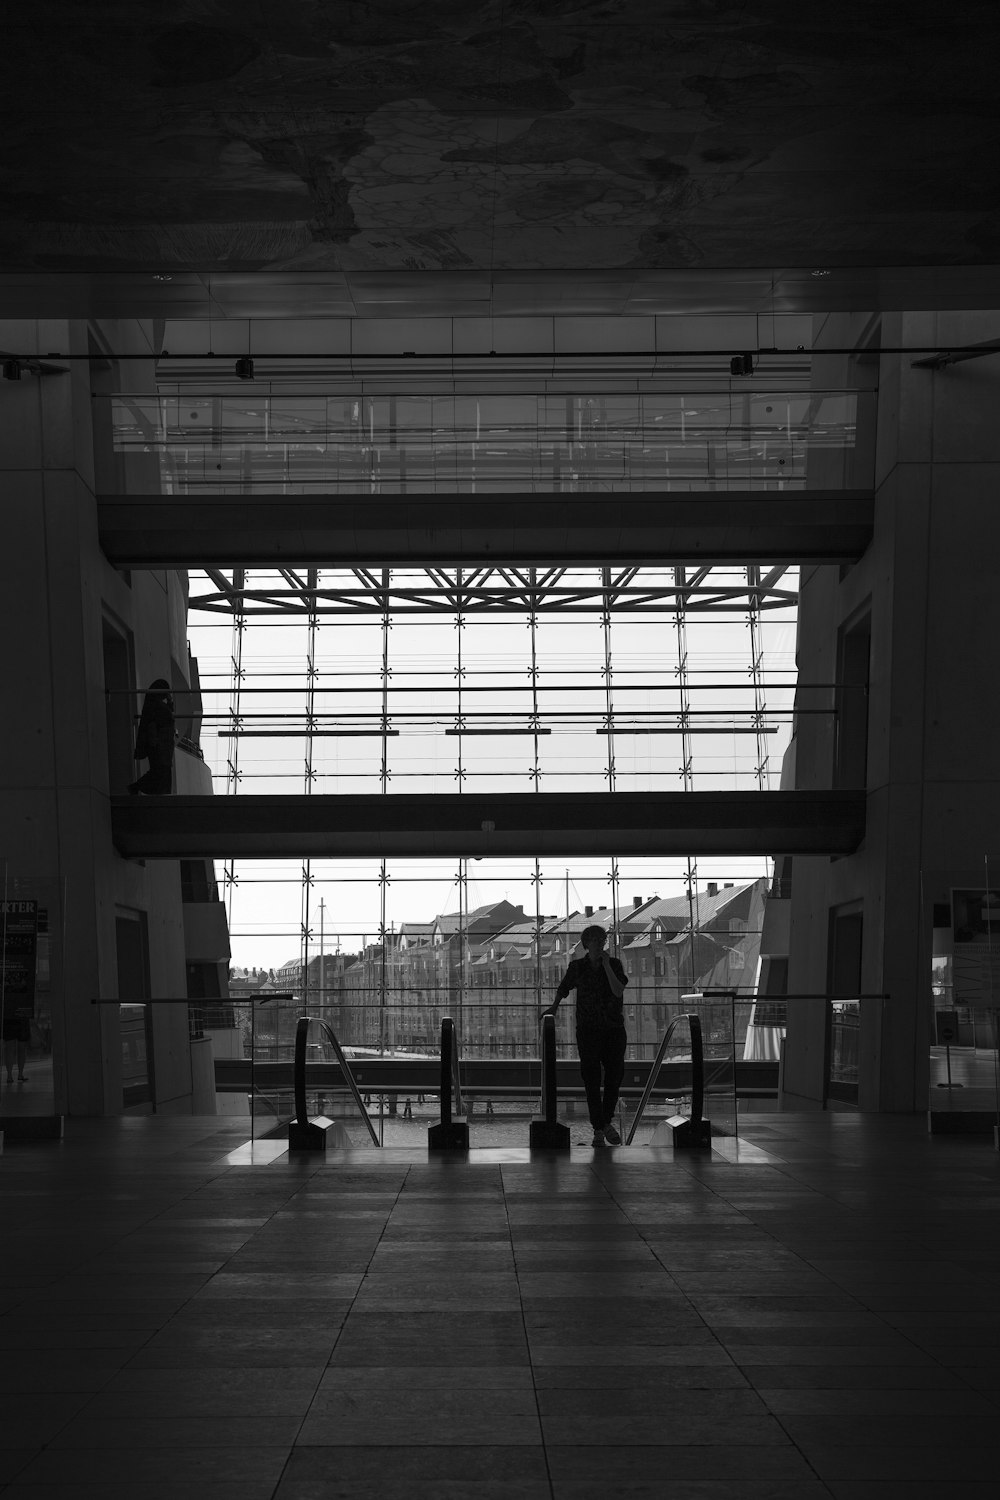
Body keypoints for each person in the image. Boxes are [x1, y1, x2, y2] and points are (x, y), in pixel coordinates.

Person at [542, 923, 628, 1147]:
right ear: (586, 944)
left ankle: (602, 1125)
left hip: (613, 1030)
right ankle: (601, 1127)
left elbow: (618, 989)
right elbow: (563, 988)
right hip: (589, 1030)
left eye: (602, 940)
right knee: (591, 1079)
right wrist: (554, 1007)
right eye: (594, 940)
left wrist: (607, 966)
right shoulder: (577, 967)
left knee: (613, 1079)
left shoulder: (615, 965)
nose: (599, 944)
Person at [128, 679, 175, 795]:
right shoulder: (157, 706)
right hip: (160, 744)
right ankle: (137, 787)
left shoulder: (153, 704)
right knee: (161, 771)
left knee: (159, 770)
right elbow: (157, 723)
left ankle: (139, 788)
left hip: (160, 743)